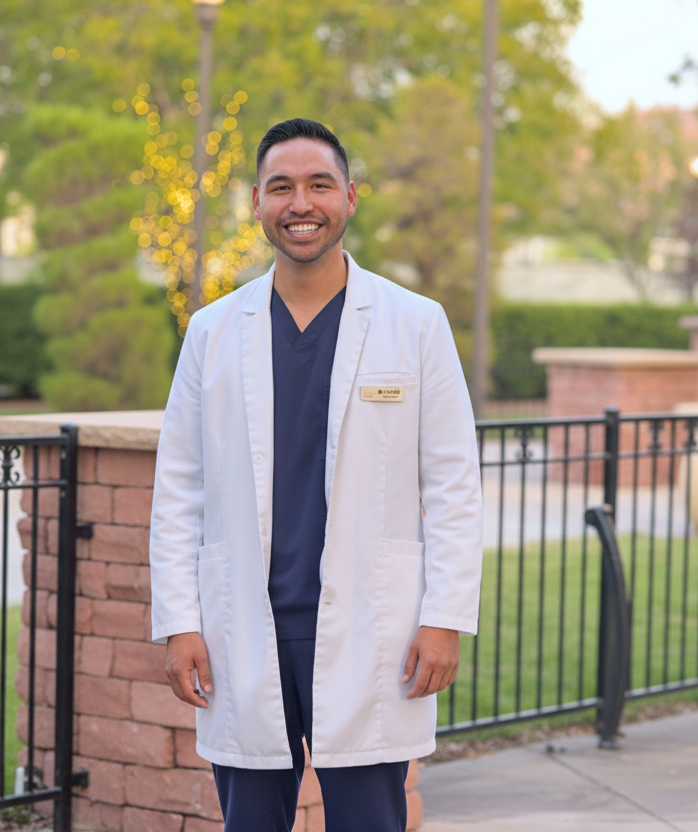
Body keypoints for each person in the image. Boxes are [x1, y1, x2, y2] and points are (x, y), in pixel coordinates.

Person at [148, 118, 483, 832]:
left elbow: (454, 483)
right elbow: (179, 487)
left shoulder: (415, 324)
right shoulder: (212, 332)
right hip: (245, 628)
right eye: (281, 187)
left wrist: (445, 616)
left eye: (319, 185)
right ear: (258, 204)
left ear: (350, 198)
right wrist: (179, 622)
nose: (301, 203)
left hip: (374, 630)